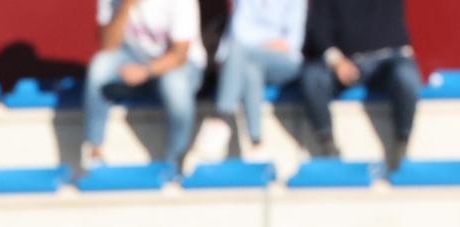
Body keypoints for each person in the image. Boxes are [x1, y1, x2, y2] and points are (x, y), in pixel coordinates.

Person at [84, 0, 208, 168]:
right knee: (100, 66)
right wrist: (125, 7)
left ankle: (176, 161)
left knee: (174, 85)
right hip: (134, 58)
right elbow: (107, 45)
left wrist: (145, 71)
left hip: (182, 65)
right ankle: (95, 153)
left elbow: (179, 54)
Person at [300, 0, 421, 168]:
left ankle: (402, 144)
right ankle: (328, 146)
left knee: (406, 77)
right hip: (345, 61)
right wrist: (337, 61)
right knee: (313, 77)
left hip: (388, 60)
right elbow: (319, 28)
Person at [199, 0, 307, 157]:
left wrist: (255, 45)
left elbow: (292, 43)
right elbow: (239, 33)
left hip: (285, 63)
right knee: (251, 69)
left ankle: (222, 117)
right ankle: (256, 143)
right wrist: (268, 43)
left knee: (240, 53)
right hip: (247, 60)